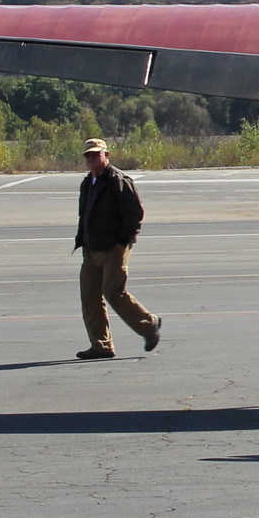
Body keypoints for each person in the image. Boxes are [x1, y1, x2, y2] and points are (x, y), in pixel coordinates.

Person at [73, 137, 161, 359]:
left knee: (113, 292)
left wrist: (122, 243)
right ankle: (101, 345)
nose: (92, 158)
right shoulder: (87, 183)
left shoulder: (118, 181)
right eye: (88, 155)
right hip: (91, 248)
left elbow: (134, 214)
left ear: (106, 155)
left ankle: (148, 325)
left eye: (96, 154)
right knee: (90, 298)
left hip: (114, 247)